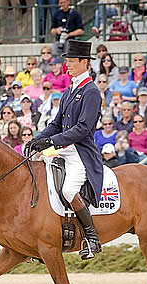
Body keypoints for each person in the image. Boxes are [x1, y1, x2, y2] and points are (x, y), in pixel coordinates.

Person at [25, 40, 102, 260]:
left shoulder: (91, 91)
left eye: (71, 61)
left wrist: (50, 143)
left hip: (81, 152)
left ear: (83, 62)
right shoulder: (69, 91)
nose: (67, 64)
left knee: (68, 190)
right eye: (66, 60)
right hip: (64, 149)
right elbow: (57, 124)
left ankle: (91, 238)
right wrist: (37, 140)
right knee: (41, 180)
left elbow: (83, 128)